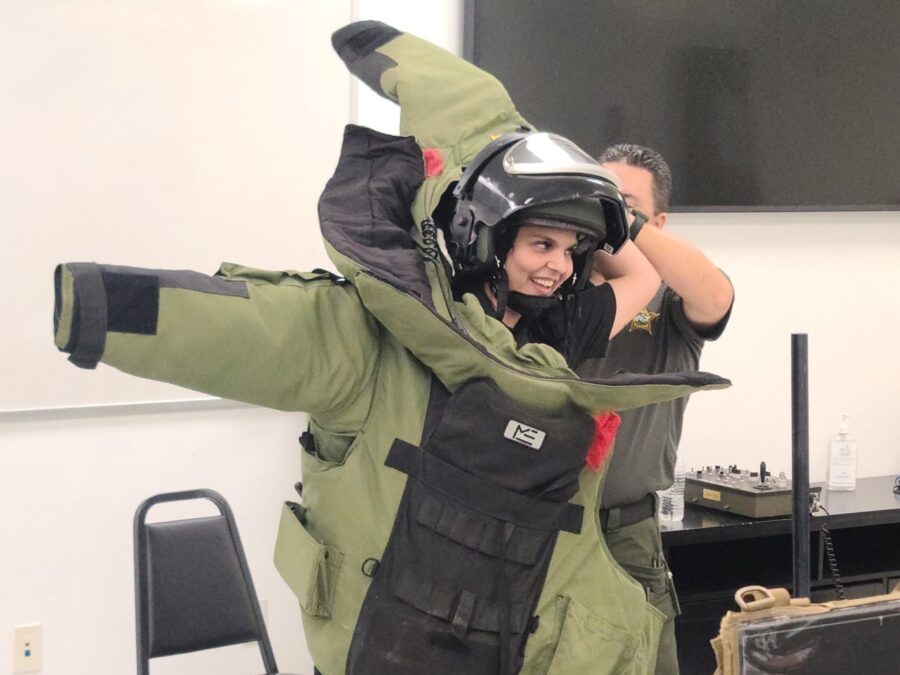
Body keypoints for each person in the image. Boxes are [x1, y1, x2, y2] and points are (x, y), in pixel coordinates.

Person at [52, 23, 727, 675]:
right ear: (484, 236)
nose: (556, 265)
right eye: (539, 244)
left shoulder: (560, 330)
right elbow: (252, 332)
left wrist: (578, 195)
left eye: (571, 250)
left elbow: (645, 276)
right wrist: (103, 307)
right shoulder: (374, 333)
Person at [581, 144, 735, 675]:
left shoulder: (668, 300)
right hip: (542, 521)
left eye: (621, 203)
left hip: (627, 531)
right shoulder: (552, 277)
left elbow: (716, 297)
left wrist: (628, 225)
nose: (603, 214)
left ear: (659, 221)